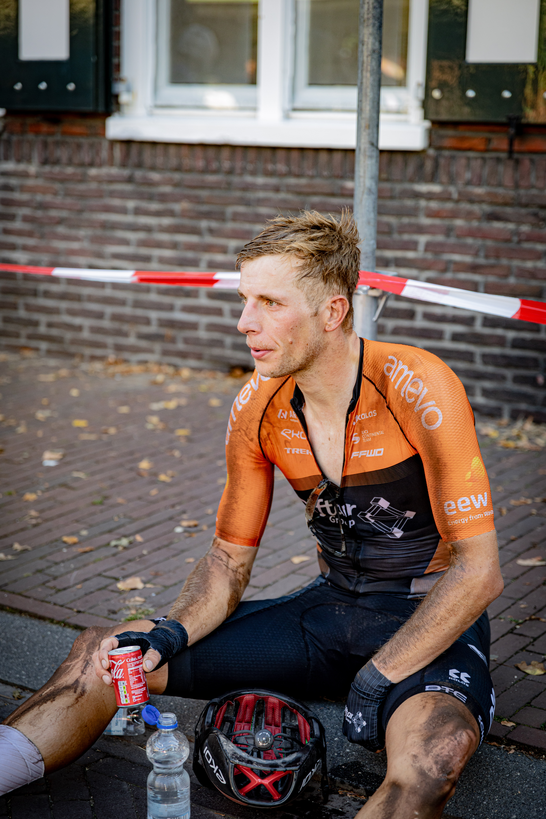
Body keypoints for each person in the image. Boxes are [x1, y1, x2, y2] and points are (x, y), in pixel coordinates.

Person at [0, 211, 503, 819]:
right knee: (106, 652)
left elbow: (479, 572)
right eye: (244, 300)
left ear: (332, 312)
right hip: (328, 610)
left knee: (435, 756)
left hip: (426, 614)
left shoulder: (417, 384)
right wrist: (169, 635)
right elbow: (227, 559)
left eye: (270, 302)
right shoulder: (258, 404)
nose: (244, 322)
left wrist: (382, 674)